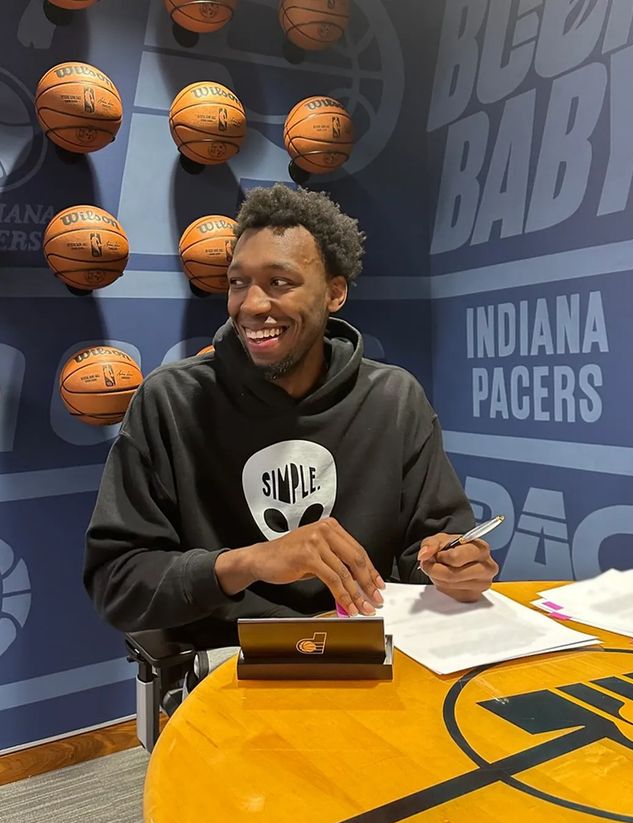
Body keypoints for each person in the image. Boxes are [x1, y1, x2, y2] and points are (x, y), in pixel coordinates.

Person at [84, 184, 498, 651]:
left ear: (334, 293)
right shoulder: (170, 401)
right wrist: (249, 563)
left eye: (279, 282)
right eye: (238, 282)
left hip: (370, 652)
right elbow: (117, 581)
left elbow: (432, 549)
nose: (251, 305)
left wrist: (454, 566)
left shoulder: (395, 398)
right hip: (230, 662)